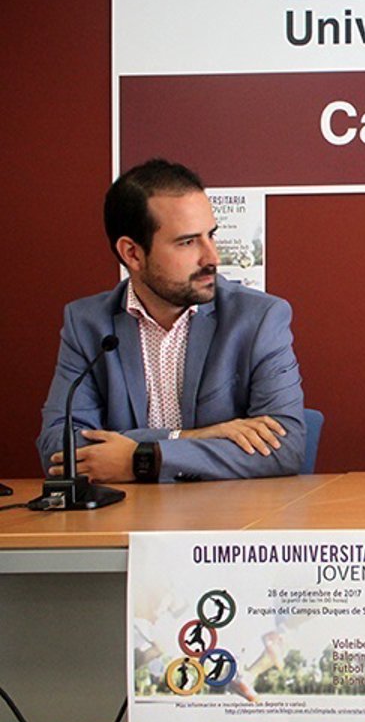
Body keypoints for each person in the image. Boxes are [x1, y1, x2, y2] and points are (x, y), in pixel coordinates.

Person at [36, 158, 305, 482]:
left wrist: (142, 459)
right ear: (132, 253)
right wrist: (189, 437)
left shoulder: (258, 318)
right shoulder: (87, 324)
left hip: (226, 510)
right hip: (125, 512)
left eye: (211, 235)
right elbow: (59, 448)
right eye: (188, 242)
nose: (212, 257)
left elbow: (284, 448)